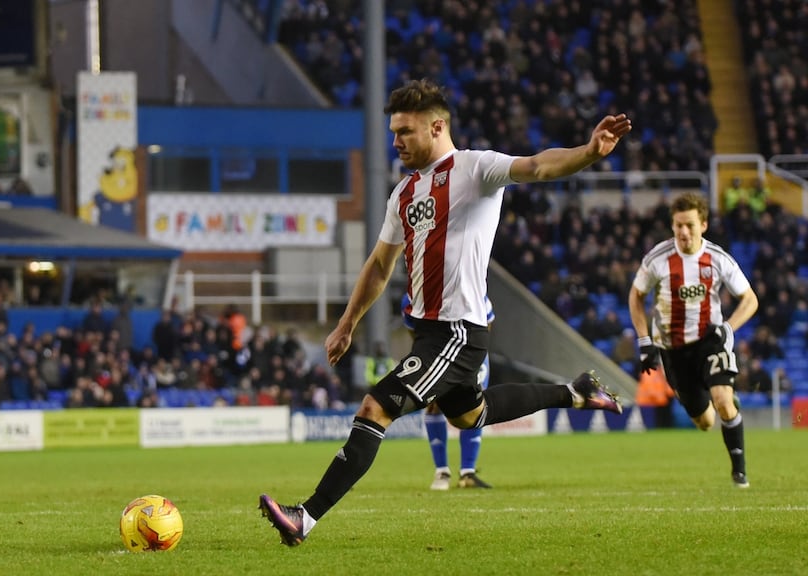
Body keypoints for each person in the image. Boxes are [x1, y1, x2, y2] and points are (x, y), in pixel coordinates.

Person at [259, 78, 630, 546]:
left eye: (405, 132)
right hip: (430, 332)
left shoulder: (475, 168)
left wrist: (589, 152)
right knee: (470, 415)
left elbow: (537, 165)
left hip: (457, 331)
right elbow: (379, 265)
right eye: (394, 132)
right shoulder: (403, 193)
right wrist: (346, 323)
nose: (396, 142)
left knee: (376, 407)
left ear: (437, 127)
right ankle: (574, 392)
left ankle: (305, 517)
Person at [628, 191, 758, 488]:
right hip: (673, 349)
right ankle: (720, 400)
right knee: (705, 422)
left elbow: (750, 299)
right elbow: (636, 295)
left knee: (723, 402)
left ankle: (739, 472)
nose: (684, 232)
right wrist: (644, 340)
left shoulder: (718, 258)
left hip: (710, 340)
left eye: (689, 225)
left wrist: (728, 328)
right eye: (678, 225)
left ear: (704, 225)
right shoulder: (658, 259)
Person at [423, 293, 495, 490]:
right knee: (433, 405)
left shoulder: (477, 294)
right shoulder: (417, 295)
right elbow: (416, 331)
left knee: (475, 407)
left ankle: (467, 473)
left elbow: (487, 323)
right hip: (438, 352)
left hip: (472, 355)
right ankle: (442, 471)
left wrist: (475, 354)